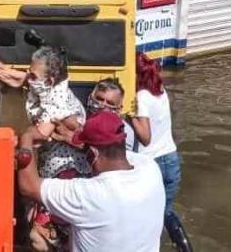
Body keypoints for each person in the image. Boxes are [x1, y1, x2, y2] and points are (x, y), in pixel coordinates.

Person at [17, 110, 166, 252]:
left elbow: (29, 187)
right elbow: (116, 153)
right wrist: (84, 144)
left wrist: (26, 138)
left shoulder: (89, 195)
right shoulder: (151, 169)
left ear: (93, 153)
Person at [23, 46, 90, 250]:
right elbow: (15, 77)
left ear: (49, 81)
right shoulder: (48, 92)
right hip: (52, 176)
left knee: (41, 235)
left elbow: (39, 137)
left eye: (32, 76)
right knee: (39, 232)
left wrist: (20, 140)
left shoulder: (59, 103)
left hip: (67, 178)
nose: (28, 79)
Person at [131, 52, 193, 252]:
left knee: (147, 215)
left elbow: (145, 137)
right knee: (165, 212)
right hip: (171, 159)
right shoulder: (160, 91)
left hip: (154, 164)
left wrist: (129, 114)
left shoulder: (141, 97)